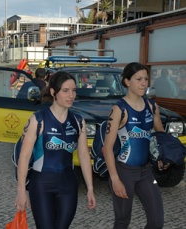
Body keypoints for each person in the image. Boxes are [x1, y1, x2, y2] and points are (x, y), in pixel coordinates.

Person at [15, 71, 96, 229]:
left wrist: (90, 188)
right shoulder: (38, 119)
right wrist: (21, 190)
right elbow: (23, 158)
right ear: (53, 92)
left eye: (73, 91)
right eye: (65, 91)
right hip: (41, 184)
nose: (71, 95)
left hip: (68, 184)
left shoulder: (78, 121)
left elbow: (84, 157)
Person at [103, 62, 165, 229]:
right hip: (124, 172)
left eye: (145, 79)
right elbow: (107, 148)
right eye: (138, 79)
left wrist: (161, 156)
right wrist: (115, 179)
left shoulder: (152, 107)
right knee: (123, 221)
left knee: (156, 222)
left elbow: (160, 137)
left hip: (145, 172)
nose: (144, 83)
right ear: (127, 82)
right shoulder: (119, 109)